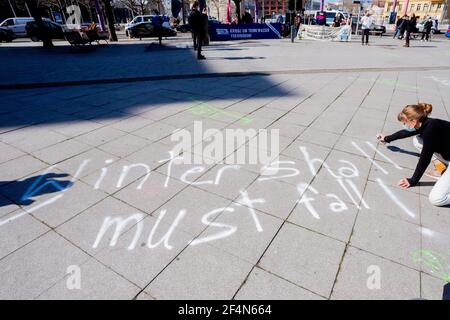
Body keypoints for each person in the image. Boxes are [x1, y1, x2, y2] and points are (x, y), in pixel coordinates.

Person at [377, 103, 450, 207]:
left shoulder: (430, 131)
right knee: (417, 140)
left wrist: (413, 180)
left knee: (436, 199)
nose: (404, 126)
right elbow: (405, 133)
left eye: (405, 123)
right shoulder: (425, 122)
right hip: (447, 153)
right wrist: (386, 138)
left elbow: (425, 158)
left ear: (414, 121)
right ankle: (441, 168)